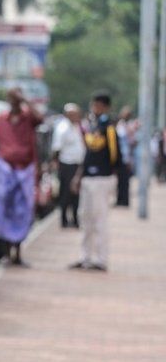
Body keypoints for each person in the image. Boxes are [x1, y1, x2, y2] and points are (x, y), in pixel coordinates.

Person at [0, 88, 44, 266]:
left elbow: (40, 118)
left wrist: (26, 99)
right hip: (5, 171)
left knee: (23, 211)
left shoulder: (29, 118)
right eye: (12, 98)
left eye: (17, 99)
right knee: (4, 210)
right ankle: (7, 252)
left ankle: (17, 252)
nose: (14, 102)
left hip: (25, 171)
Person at [70, 92, 119, 272]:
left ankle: (101, 259)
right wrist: (79, 175)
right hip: (88, 178)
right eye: (94, 105)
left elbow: (114, 156)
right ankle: (86, 257)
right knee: (85, 217)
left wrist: (111, 176)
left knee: (100, 219)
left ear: (105, 107)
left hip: (102, 178)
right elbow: (87, 154)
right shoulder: (91, 126)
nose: (95, 109)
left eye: (98, 105)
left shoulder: (109, 128)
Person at [51, 103, 86, 228]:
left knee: (76, 193)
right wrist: (55, 163)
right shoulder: (62, 128)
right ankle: (64, 220)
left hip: (77, 164)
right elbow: (56, 148)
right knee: (66, 193)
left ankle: (75, 219)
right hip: (67, 164)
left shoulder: (78, 126)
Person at [115, 106, 136, 206]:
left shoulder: (129, 126)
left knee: (125, 180)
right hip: (120, 156)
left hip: (126, 157)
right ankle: (120, 199)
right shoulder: (121, 125)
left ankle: (124, 200)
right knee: (120, 180)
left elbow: (132, 142)